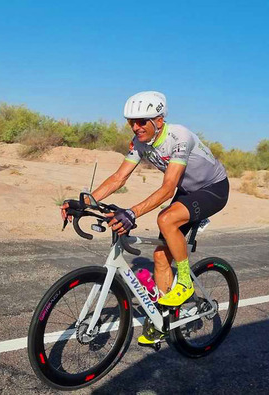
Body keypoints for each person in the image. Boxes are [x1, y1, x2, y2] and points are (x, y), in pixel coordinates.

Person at [61, 91, 229, 344]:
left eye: (141, 122)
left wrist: (132, 212)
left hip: (213, 189)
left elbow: (168, 188)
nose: (135, 127)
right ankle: (162, 321)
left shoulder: (179, 137)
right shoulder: (139, 143)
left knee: (166, 219)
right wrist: (84, 202)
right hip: (187, 192)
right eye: (131, 121)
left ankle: (185, 282)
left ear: (158, 120)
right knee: (161, 256)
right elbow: (119, 178)